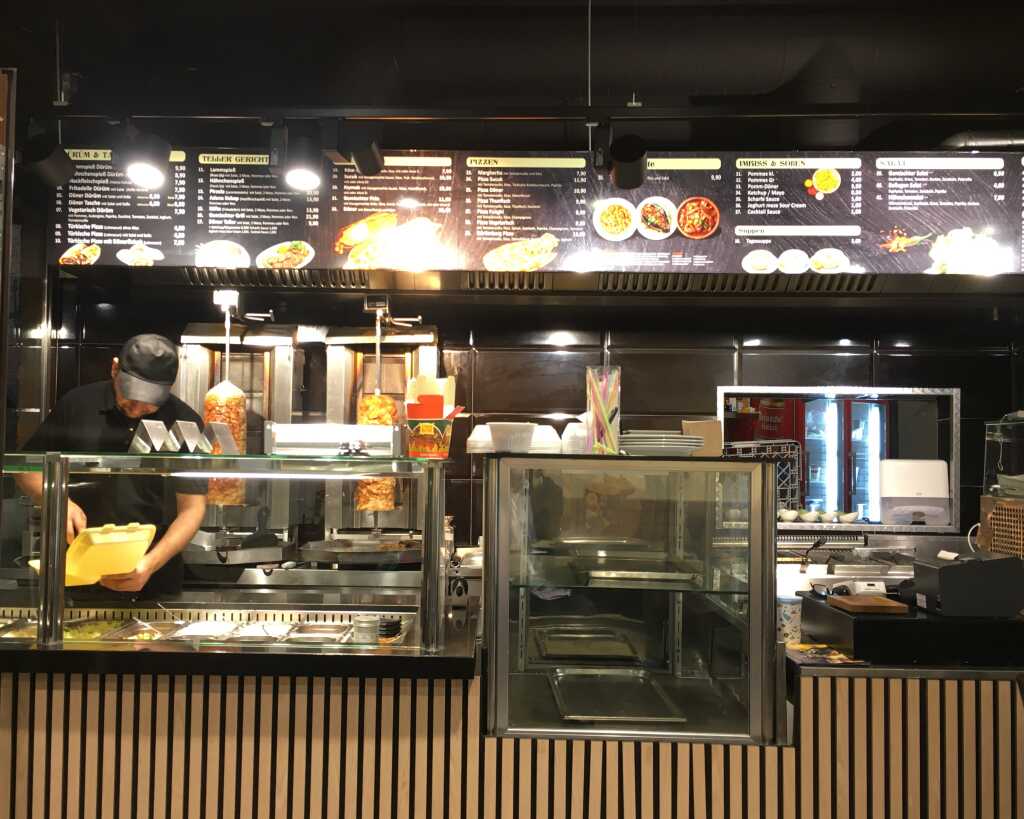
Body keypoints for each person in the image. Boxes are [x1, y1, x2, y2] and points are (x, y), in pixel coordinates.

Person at [16, 334, 207, 596]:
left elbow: (192, 509)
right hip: (77, 573)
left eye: (149, 403)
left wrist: (149, 565)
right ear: (115, 369)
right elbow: (26, 470)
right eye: (131, 397)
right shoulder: (78, 404)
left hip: (154, 578)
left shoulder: (185, 421)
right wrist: (58, 500)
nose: (137, 409)